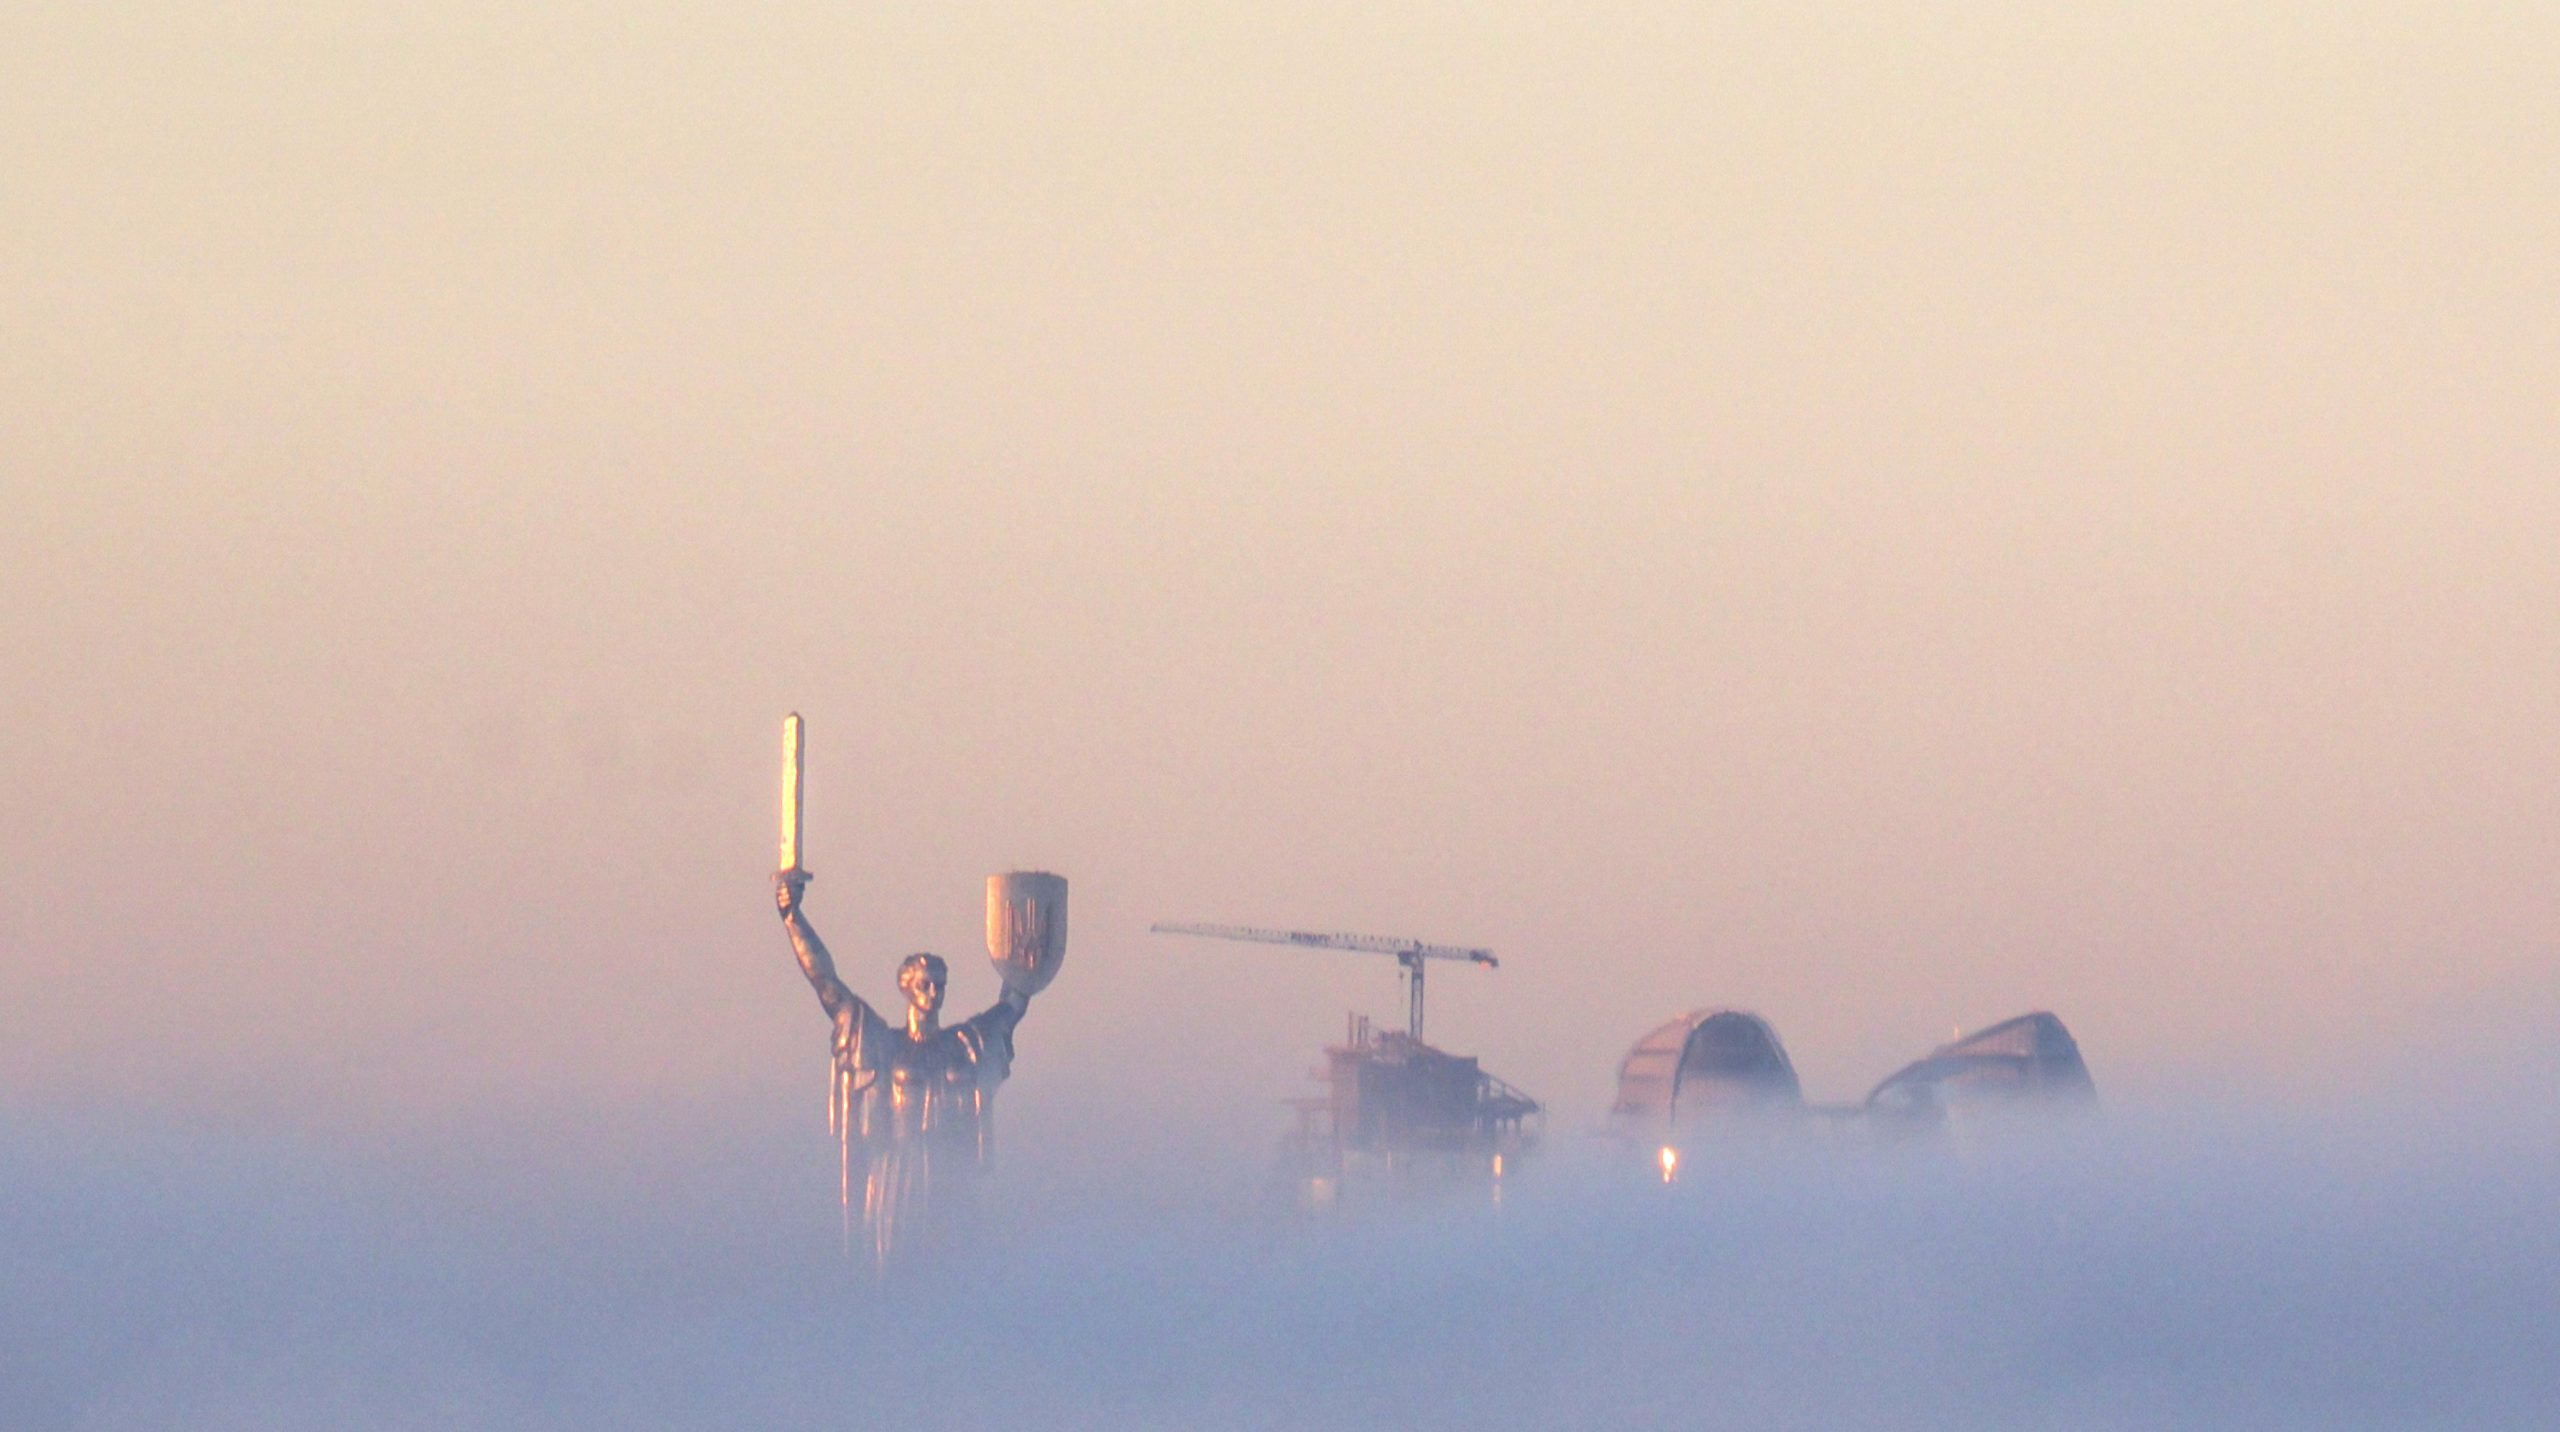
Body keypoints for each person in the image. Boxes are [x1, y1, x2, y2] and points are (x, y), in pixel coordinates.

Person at [775, 871, 1031, 1270]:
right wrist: (793, 919)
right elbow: (826, 984)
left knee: (955, 1271)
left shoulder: (963, 1045)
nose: (934, 993)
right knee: (897, 1269)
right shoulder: (884, 1046)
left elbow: (1011, 1008)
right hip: (897, 1176)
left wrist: (1027, 959)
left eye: (940, 985)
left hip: (950, 1179)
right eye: (926, 984)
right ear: (906, 987)